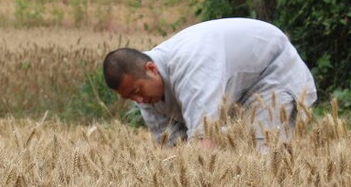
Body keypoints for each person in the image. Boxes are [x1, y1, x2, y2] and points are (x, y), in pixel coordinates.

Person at [102, 18, 317, 147]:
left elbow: (205, 138)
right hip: (237, 89)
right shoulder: (144, 93)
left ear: (151, 69)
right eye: (130, 97)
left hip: (272, 72)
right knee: (235, 162)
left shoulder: (193, 67)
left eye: (137, 91)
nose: (139, 100)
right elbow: (173, 149)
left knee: (263, 155)